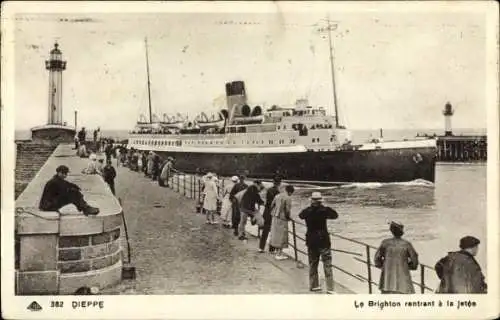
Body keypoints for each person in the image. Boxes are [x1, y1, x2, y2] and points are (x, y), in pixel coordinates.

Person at [298, 192, 338, 294]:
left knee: (313, 264)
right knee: (327, 264)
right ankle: (330, 288)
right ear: (320, 201)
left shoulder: (307, 211)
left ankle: (314, 285)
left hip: (311, 240)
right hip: (323, 240)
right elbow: (335, 215)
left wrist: (311, 206)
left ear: (312, 200)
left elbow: (300, 215)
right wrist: (324, 206)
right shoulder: (324, 211)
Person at [374, 222, 419, 294]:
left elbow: (377, 260)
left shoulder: (385, 243)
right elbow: (415, 261)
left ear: (392, 231)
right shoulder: (407, 244)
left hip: (387, 281)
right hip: (403, 282)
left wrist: (385, 266)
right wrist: (407, 266)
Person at [269, 185, 295, 260]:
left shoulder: (277, 195)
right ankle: (279, 254)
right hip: (282, 218)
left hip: (275, 216)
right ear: (290, 192)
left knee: (275, 234)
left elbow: (272, 205)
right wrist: (288, 217)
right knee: (282, 236)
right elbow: (287, 210)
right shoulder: (288, 198)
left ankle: (277, 252)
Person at [259, 177, 282, 253]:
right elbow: (276, 204)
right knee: (273, 231)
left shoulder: (269, 190)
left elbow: (268, 202)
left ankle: (261, 247)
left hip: (266, 211)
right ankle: (271, 249)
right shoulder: (278, 192)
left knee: (265, 230)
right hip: (273, 212)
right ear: (279, 183)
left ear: (273, 182)